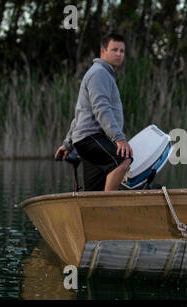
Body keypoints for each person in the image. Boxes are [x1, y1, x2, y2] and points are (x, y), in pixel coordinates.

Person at [54, 33, 133, 191]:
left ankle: (94, 213)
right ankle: (108, 209)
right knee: (123, 159)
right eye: (114, 50)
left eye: (122, 51)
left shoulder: (102, 74)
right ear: (103, 51)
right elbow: (101, 108)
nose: (119, 54)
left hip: (87, 140)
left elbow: (80, 114)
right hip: (92, 138)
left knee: (94, 191)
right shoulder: (99, 73)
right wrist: (119, 138)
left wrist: (67, 144)